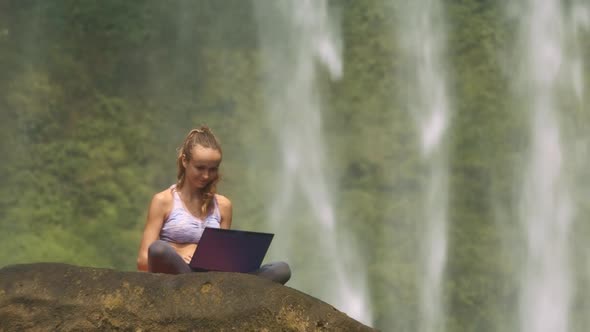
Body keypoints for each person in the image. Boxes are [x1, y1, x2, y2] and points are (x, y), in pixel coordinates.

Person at [136, 126, 291, 284]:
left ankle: (215, 291)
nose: (206, 175)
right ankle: (206, 289)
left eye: (212, 169)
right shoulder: (163, 201)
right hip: (180, 275)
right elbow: (143, 261)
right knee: (159, 249)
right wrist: (179, 253)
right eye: (200, 168)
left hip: (214, 278)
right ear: (184, 161)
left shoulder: (223, 205)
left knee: (281, 269)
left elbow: (223, 260)